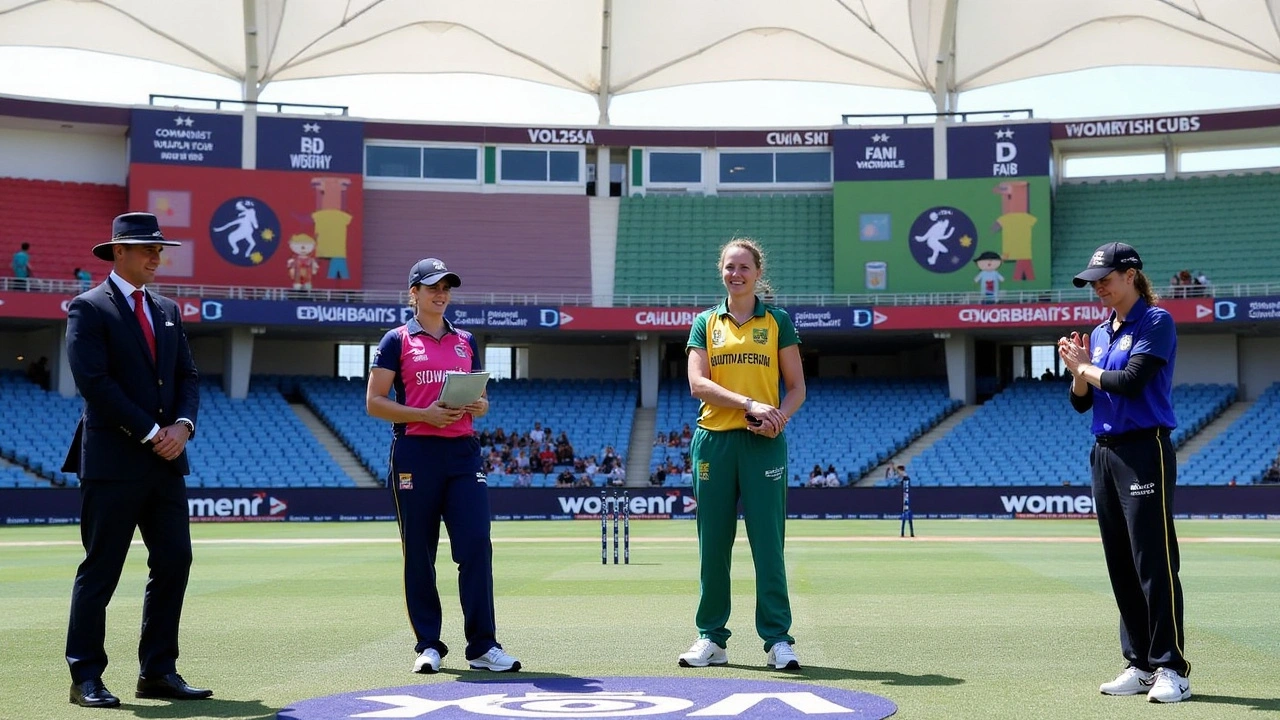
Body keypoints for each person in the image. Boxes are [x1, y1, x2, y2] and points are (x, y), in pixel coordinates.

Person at [61, 212, 209, 708]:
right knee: (102, 568)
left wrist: (183, 428)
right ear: (118, 251)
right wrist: (152, 432)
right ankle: (85, 677)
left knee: (175, 561)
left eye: (159, 249)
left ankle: (158, 672)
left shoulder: (167, 309)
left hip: (166, 460)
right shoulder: (88, 308)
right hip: (114, 460)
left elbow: (188, 377)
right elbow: (94, 382)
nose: (156, 256)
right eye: (147, 248)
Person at [365, 257, 521, 675]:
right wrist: (423, 415)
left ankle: (483, 647)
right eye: (432, 287)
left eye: (446, 288)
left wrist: (480, 404)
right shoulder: (395, 340)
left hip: (463, 453)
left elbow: (481, 402)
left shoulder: (466, 340)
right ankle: (428, 645)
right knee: (419, 553)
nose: (441, 294)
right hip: (415, 453)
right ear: (413, 292)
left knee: (475, 547)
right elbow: (374, 401)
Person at [1059, 242, 1190, 704]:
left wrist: (1085, 368)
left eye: (1105, 279)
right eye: (1093, 282)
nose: (1097, 288)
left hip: (1144, 448)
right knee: (1120, 562)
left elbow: (1131, 383)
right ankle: (1139, 664)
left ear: (1131, 275)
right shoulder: (1098, 332)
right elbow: (1081, 401)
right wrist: (1078, 373)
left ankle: (1171, 666)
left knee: (1153, 561)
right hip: (1104, 451)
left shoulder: (1156, 321)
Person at [678, 237, 806, 671]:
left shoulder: (778, 322)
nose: (736, 274)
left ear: (757, 273)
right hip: (714, 440)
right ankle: (711, 637)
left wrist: (778, 418)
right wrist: (749, 404)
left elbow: (797, 389)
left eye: (744, 267)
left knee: (768, 545)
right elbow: (698, 384)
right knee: (713, 545)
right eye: (729, 267)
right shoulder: (705, 323)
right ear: (722, 271)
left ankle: (777, 640)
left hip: (764, 444)